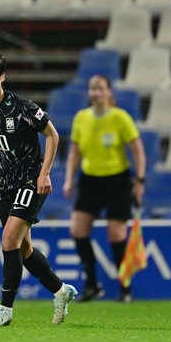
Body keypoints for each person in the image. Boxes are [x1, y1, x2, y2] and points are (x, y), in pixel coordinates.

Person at [0, 46, 78, 327]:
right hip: (4, 186)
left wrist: (44, 173)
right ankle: (61, 291)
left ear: (2, 76)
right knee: (23, 250)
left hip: (30, 180)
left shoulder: (22, 107)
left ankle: (5, 310)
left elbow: (53, 134)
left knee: (9, 240)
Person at [62, 74, 146, 303]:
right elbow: (74, 151)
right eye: (92, 89)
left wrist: (140, 180)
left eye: (100, 89)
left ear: (109, 92)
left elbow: (137, 149)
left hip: (117, 181)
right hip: (89, 180)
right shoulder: (81, 118)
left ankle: (125, 287)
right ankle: (92, 285)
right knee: (78, 231)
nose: (96, 93)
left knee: (116, 234)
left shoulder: (120, 118)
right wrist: (69, 179)